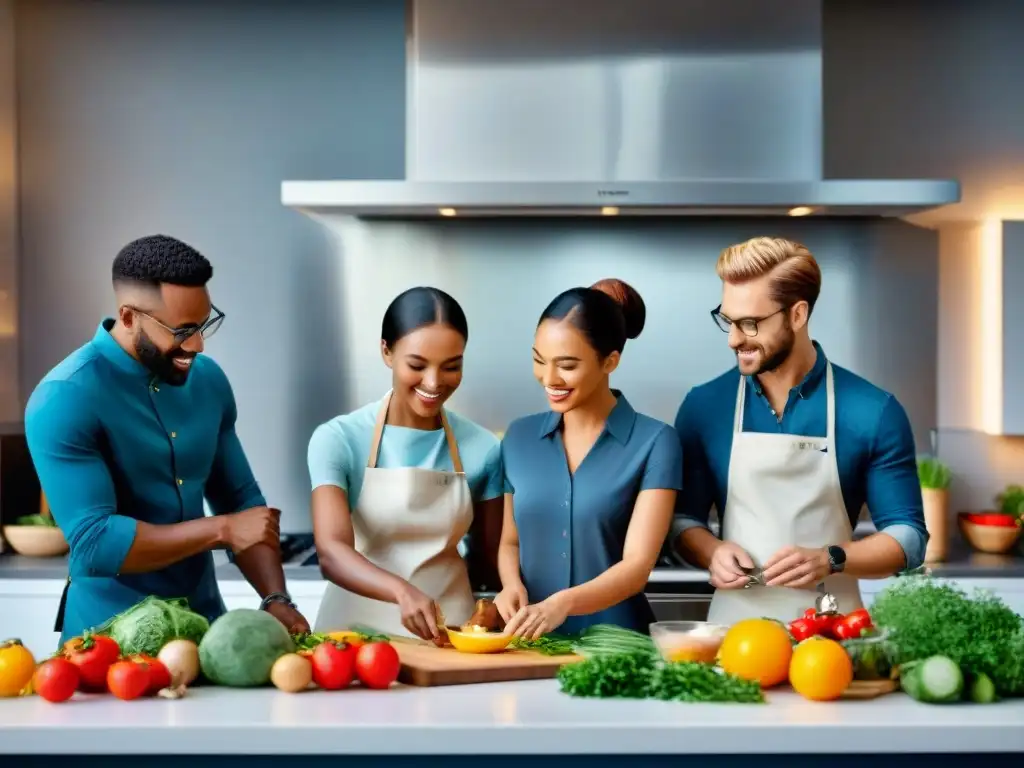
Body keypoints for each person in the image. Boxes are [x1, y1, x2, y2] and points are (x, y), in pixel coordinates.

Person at [25, 234, 309, 645]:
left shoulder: (208, 381)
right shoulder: (64, 397)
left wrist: (275, 596)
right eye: (182, 330)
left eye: (204, 323)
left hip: (207, 635)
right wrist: (221, 530)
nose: (197, 344)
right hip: (107, 645)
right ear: (128, 317)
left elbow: (241, 501)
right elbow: (94, 543)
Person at [672, 236, 928, 626]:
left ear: (797, 315)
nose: (734, 338)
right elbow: (681, 522)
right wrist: (712, 552)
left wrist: (832, 558)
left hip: (837, 641)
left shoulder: (873, 411)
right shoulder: (704, 406)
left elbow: (908, 539)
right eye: (728, 320)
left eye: (750, 324)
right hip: (732, 638)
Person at [308, 286, 504, 642]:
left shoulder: (484, 448)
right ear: (387, 351)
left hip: (448, 636)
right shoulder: (339, 438)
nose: (433, 382)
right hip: (351, 641)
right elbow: (331, 552)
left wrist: (492, 605)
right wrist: (402, 591)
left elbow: (490, 563)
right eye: (417, 365)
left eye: (451, 366)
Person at [497, 279, 682, 639]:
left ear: (610, 361)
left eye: (567, 365)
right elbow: (510, 542)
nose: (549, 378)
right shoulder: (518, 437)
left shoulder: (656, 442)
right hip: (529, 646)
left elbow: (636, 567)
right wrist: (509, 585)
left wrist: (561, 604)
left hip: (618, 646)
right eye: (539, 360)